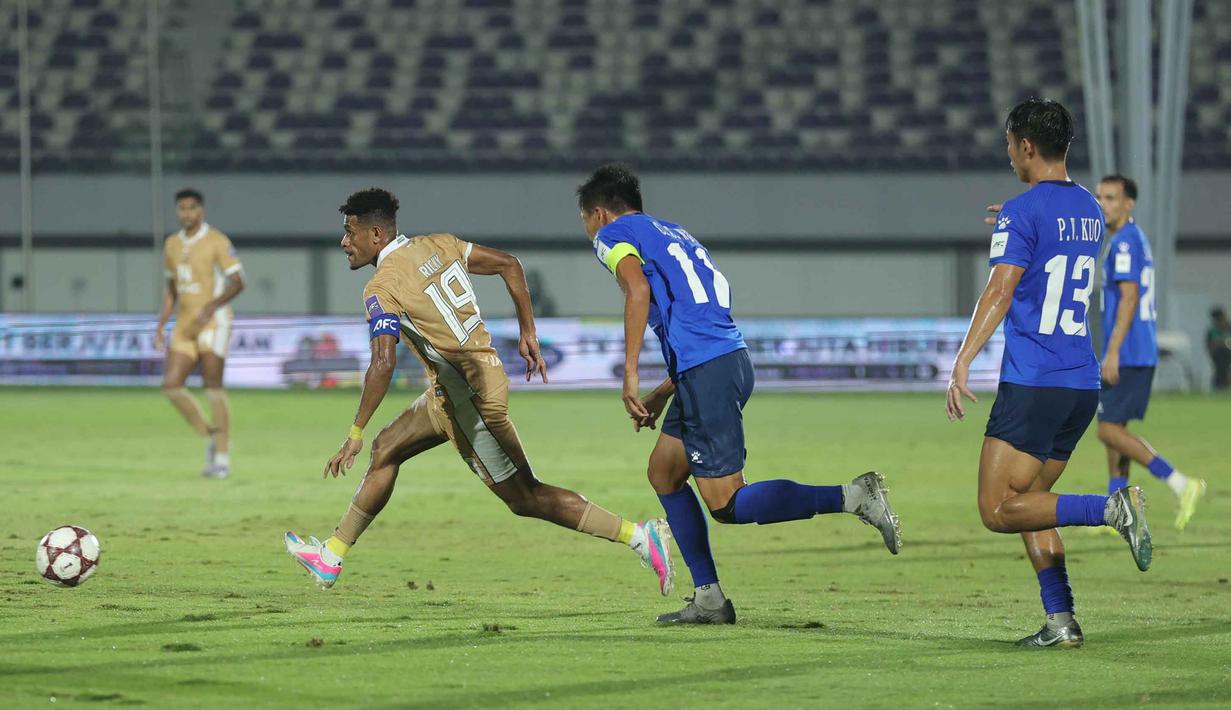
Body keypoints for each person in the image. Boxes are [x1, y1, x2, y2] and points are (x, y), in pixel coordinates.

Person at [283, 188, 673, 596]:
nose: (344, 242)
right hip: (453, 389)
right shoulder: (440, 244)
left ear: (376, 234)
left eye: (350, 233)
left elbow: (383, 363)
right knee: (387, 450)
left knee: (527, 497)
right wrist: (528, 332)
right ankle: (330, 557)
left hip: (471, 402)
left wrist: (354, 432)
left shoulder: (381, 288)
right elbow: (510, 265)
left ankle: (640, 537)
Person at [578, 163, 901, 626]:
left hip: (709, 369)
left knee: (727, 503)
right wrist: (664, 391)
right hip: (719, 362)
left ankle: (852, 496)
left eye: (587, 221)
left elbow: (637, 290)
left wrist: (629, 373)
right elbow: (697, 321)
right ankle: (709, 598)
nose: (589, 232)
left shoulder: (612, 236)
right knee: (665, 473)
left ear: (601, 214)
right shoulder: (674, 233)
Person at [952, 98, 1151, 648]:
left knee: (997, 509)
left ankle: (1113, 507)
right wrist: (1013, 219)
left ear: (1027, 146)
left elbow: (1000, 289)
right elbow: (1052, 236)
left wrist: (964, 358)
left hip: (1034, 383)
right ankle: (1061, 622)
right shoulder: (1089, 207)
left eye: (1010, 143)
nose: (1008, 152)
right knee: (1031, 505)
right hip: (1078, 386)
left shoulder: (1026, 210)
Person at [1095, 174, 1206, 529]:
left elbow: (1129, 299)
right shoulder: (1129, 239)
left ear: (1129, 204)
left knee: (1108, 431)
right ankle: (1119, 511)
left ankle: (1180, 483)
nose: (1103, 204)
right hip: (1132, 351)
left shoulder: (1125, 243)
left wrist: (1112, 352)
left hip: (1128, 352)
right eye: (1100, 197)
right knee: (1115, 430)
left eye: (1111, 198)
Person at [154, 188, 244, 479]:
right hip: (184, 324)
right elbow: (171, 290)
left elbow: (238, 282)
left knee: (212, 385)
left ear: (201, 210)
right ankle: (210, 434)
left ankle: (221, 455)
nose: (186, 213)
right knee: (171, 386)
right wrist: (160, 325)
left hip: (214, 322)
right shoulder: (171, 245)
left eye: (192, 208)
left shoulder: (216, 241)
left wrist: (211, 307)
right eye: (182, 208)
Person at [1208, 307, 1231, 390]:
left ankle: (1224, 384)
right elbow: (1211, 347)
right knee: (1221, 360)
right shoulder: (1212, 331)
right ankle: (1221, 385)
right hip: (1218, 356)